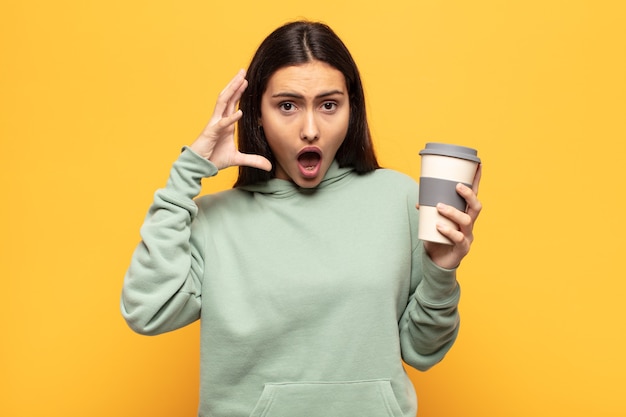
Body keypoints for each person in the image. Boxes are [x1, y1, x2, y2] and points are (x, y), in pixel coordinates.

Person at [121, 20, 482, 417]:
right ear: (256, 114)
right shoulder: (214, 220)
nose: (310, 130)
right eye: (287, 106)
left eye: (329, 105)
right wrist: (188, 172)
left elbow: (422, 350)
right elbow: (147, 311)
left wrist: (442, 270)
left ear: (352, 110)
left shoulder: (401, 200)